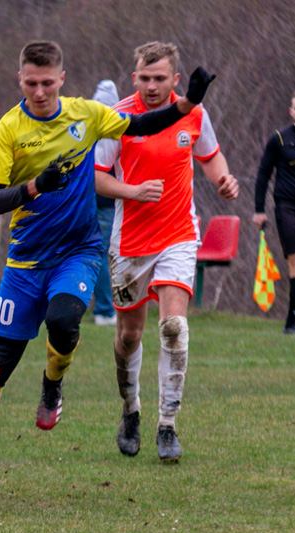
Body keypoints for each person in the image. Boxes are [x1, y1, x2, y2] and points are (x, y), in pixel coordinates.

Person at [0, 40, 216, 496]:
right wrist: (32, 187)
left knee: (65, 320)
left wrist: (189, 102)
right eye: (31, 83)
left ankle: (53, 383)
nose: (40, 92)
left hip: (78, 251)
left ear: (62, 80)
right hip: (25, 262)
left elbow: (145, 122)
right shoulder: (10, 128)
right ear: (20, 80)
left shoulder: (86, 115)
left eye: (48, 83)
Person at [94, 41, 238, 462]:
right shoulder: (118, 117)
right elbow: (98, 180)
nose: (153, 86)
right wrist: (133, 191)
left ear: (175, 80)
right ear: (133, 76)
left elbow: (210, 156)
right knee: (129, 336)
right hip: (129, 244)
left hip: (178, 235)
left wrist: (223, 179)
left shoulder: (193, 112)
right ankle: (130, 410)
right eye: (145, 78)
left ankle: (168, 425)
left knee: (174, 327)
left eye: (161, 78)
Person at [253, 89, 295, 335]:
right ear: (291, 111)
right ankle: (293, 322)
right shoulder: (280, 139)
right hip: (288, 207)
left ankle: (292, 321)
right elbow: (263, 174)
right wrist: (259, 209)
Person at [91, 80, 121, 326]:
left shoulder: (84, 127)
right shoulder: (117, 128)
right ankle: (104, 310)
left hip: (81, 201)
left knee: (77, 253)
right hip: (107, 202)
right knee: (101, 256)